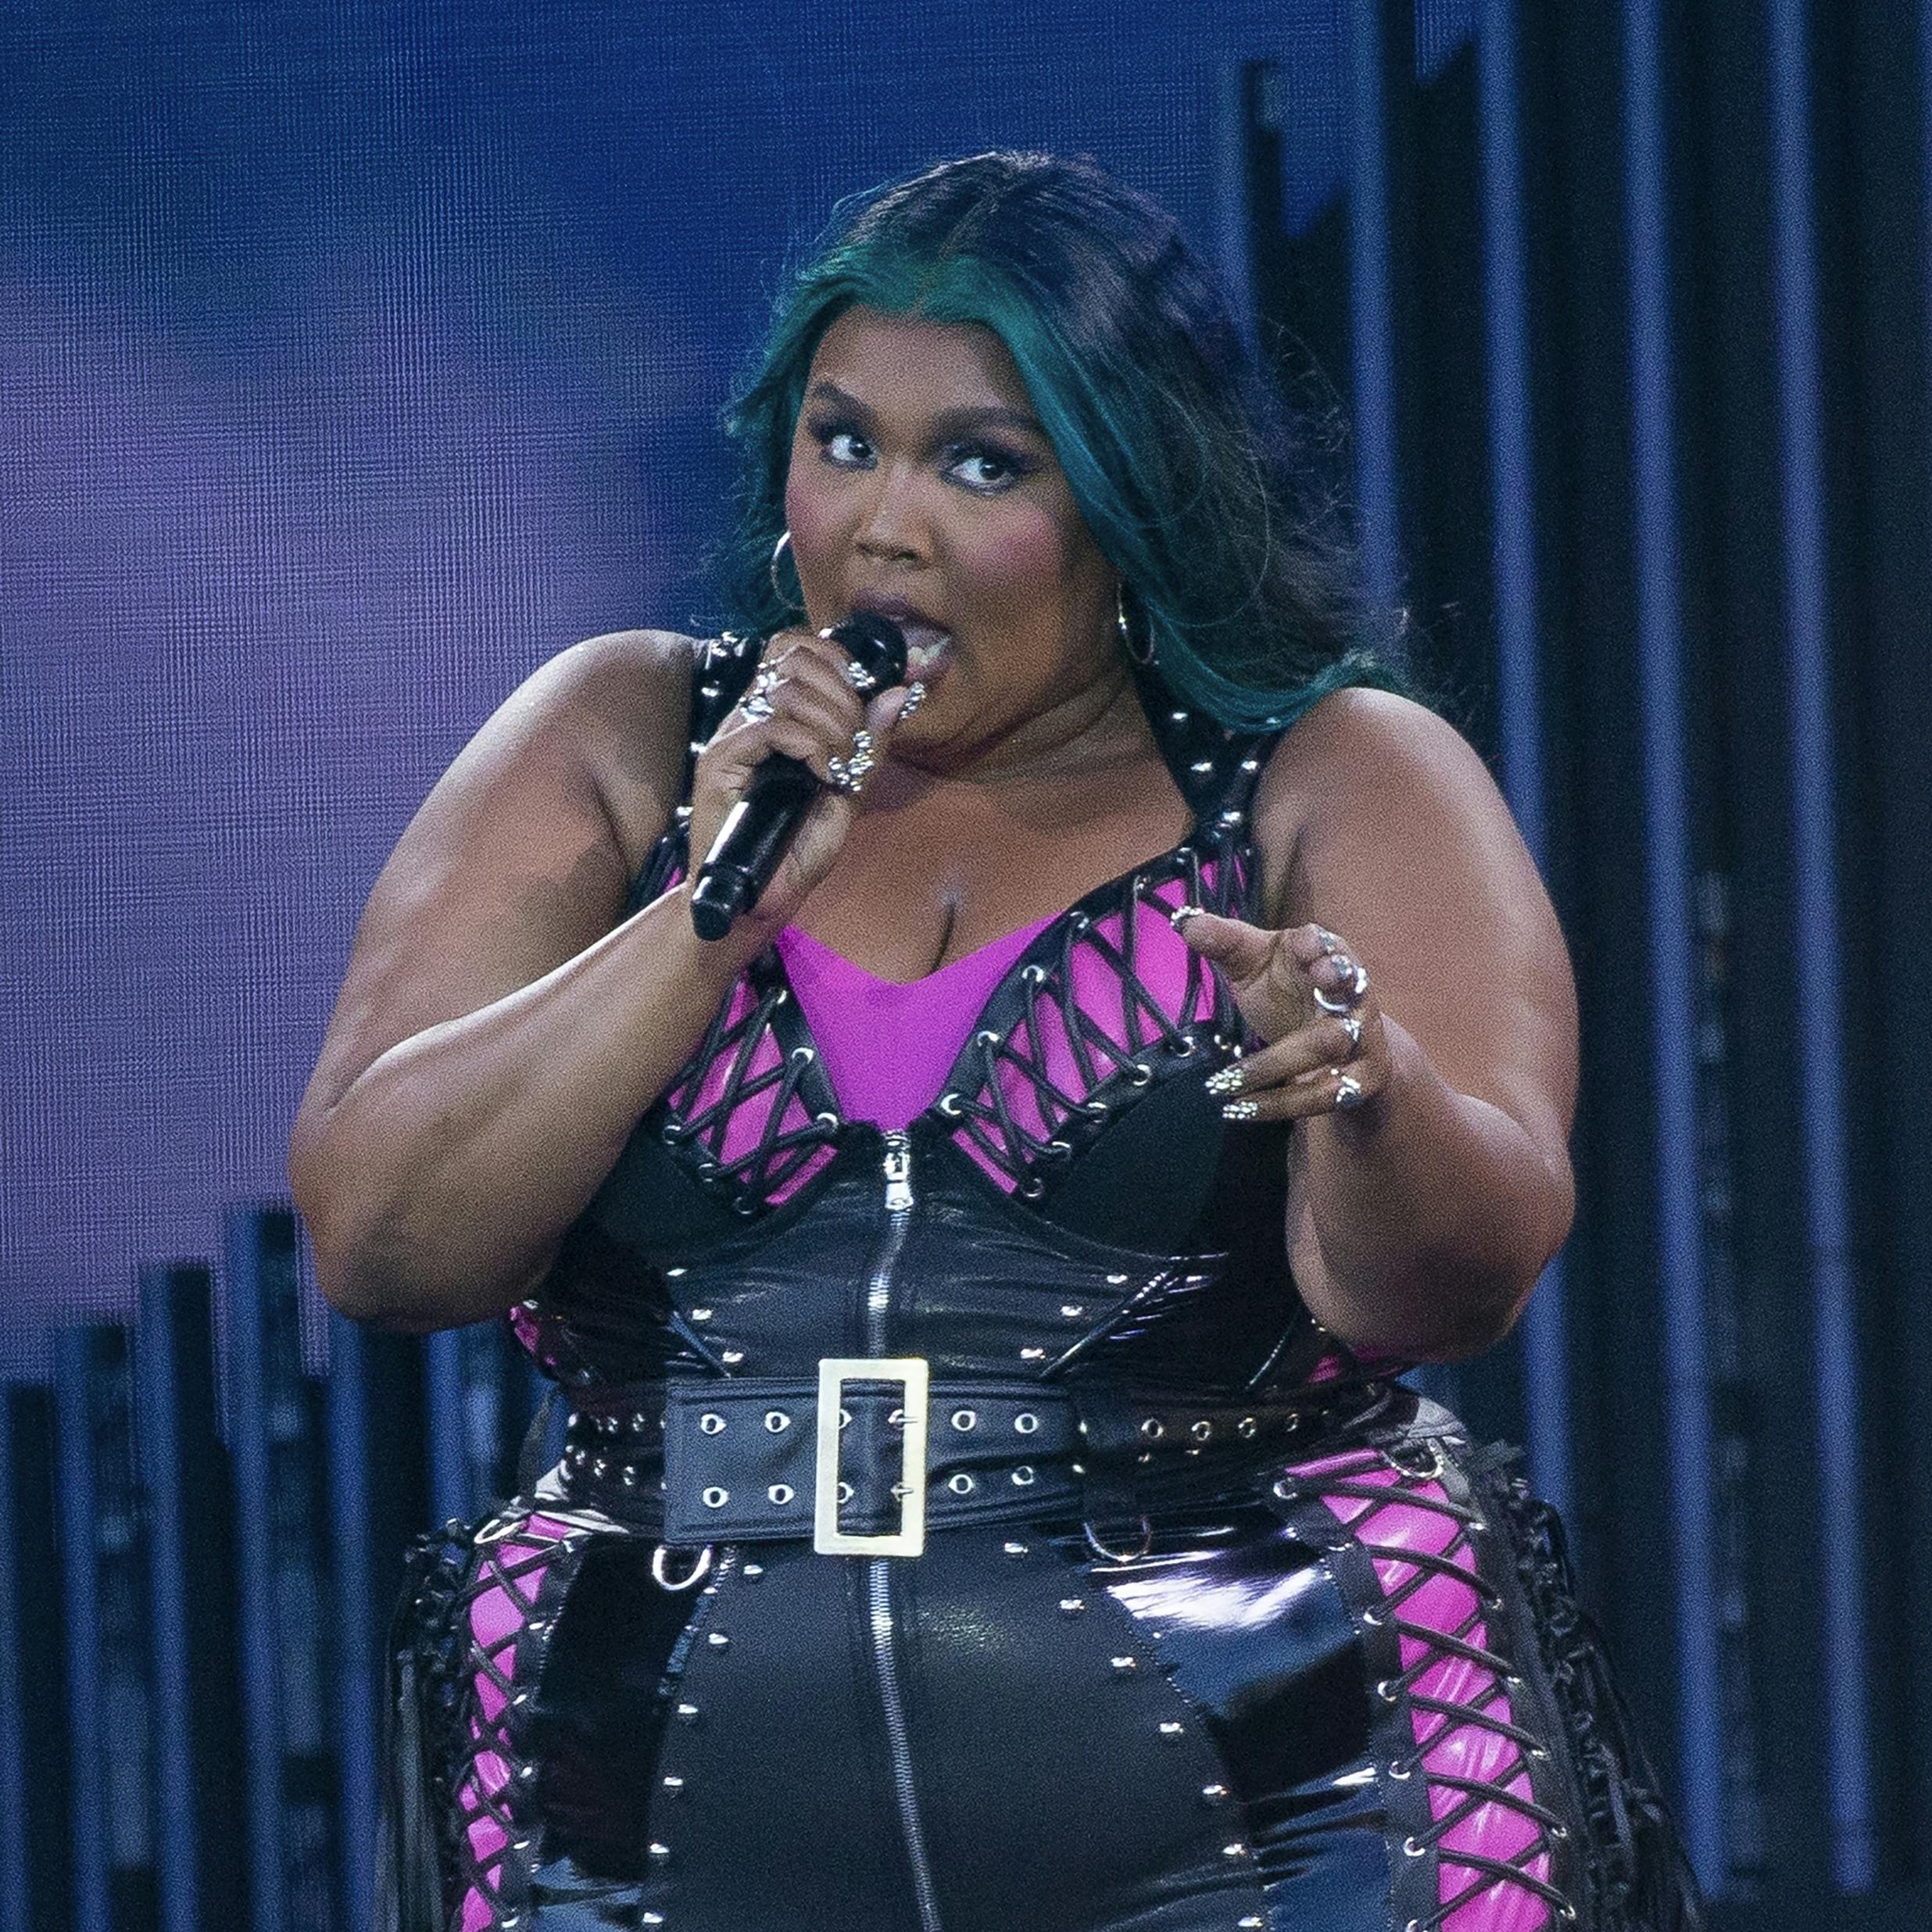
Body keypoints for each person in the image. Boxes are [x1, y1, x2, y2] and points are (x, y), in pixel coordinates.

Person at [291, 151, 1701, 1932]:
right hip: (648, 1798)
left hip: (1285, 1816)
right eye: (843, 439)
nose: (884, 525)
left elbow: (1455, 1283)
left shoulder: (1329, 776)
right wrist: (712, 908)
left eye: (982, 464)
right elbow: (385, 1239)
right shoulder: (623, 736)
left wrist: (1368, 1091)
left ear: (1128, 497)